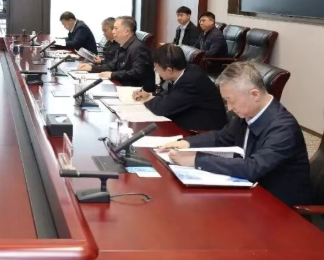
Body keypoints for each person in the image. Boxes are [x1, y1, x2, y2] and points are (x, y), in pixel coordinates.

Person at [159, 62, 311, 206]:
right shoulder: (247, 114)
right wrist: (186, 143)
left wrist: (196, 160)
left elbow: (252, 167)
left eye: (231, 101)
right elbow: (222, 137)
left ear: (254, 94)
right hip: (251, 193)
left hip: (278, 206)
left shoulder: (283, 128)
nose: (230, 108)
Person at [133, 44, 227, 131]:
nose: (155, 70)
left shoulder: (189, 81)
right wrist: (150, 95)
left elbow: (161, 108)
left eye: (156, 68)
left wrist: (146, 100)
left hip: (205, 130)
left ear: (169, 70)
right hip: (193, 116)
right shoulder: (188, 70)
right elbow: (171, 94)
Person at [99, 16, 155, 92]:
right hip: (123, 86)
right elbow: (112, 66)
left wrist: (113, 75)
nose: (113, 32)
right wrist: (91, 68)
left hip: (137, 92)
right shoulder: (122, 45)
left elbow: (137, 72)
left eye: (115, 28)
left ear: (127, 31)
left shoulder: (138, 48)